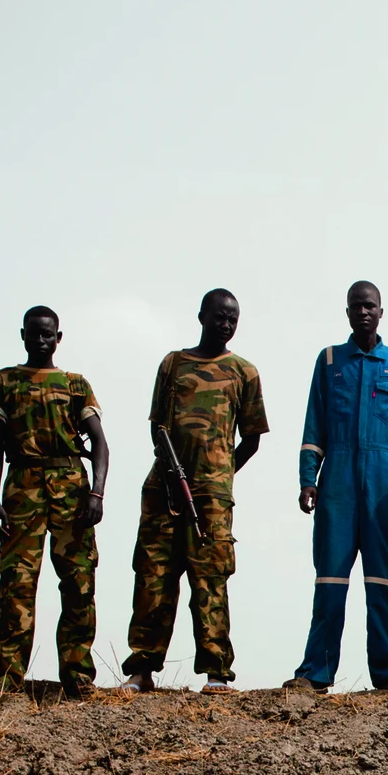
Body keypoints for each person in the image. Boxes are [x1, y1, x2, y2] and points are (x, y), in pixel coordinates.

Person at [123, 289, 267, 694]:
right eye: (219, 317)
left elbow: (253, 437)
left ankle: (216, 673)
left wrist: (222, 472)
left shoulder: (244, 372)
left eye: (232, 319)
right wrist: (173, 471)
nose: (225, 324)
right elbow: (157, 426)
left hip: (212, 498)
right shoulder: (173, 363)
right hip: (162, 488)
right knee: (153, 578)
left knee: (211, 580)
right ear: (202, 316)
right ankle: (142, 669)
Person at [287, 281, 388, 693]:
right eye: (356, 306)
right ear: (347, 313)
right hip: (338, 482)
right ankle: (315, 672)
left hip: (383, 480)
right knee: (330, 578)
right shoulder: (329, 361)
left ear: (382, 312)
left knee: (384, 580)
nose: (363, 312)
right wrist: (308, 478)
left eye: (370, 306)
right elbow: (315, 423)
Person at [0, 306, 108, 697]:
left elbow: (100, 442)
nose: (41, 340)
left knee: (78, 582)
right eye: (34, 334)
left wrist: (97, 492)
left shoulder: (75, 384)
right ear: (23, 335)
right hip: (22, 486)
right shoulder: (3, 381)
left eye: (48, 334)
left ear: (59, 337)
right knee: (16, 583)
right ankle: (6, 678)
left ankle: (77, 675)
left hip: (71, 485)